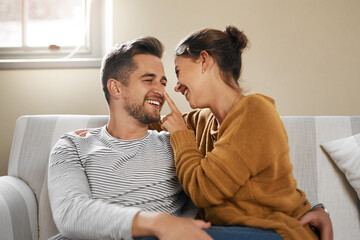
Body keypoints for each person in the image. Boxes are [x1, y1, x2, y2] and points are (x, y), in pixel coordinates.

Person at [159, 26, 333, 240]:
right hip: (242, 231)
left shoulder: (254, 111)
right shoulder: (205, 119)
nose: (177, 86)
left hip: (278, 233)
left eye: (178, 72)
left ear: (204, 61)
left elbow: (204, 191)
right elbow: (156, 124)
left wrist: (180, 135)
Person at [48, 36, 213, 240]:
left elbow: (198, 199)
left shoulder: (176, 143)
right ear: (116, 88)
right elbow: (70, 213)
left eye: (163, 82)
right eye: (148, 80)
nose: (160, 91)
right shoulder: (73, 145)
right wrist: (157, 223)